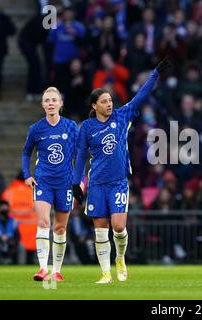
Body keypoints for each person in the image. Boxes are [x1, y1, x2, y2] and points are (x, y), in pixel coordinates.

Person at [72, 57, 172, 284]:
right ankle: (106, 273)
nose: (109, 104)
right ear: (94, 106)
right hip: (96, 182)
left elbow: (142, 95)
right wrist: (76, 182)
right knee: (100, 229)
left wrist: (156, 73)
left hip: (118, 182)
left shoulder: (122, 115)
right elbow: (80, 157)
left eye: (110, 100)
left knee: (118, 227)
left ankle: (120, 258)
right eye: (104, 101)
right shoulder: (87, 127)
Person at [22, 87, 79, 282]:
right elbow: (26, 153)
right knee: (43, 222)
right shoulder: (36, 129)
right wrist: (27, 175)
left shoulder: (71, 127)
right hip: (43, 181)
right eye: (47, 100)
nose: (51, 103)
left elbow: (81, 153)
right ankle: (42, 268)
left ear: (61, 104)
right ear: (43, 104)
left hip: (64, 183)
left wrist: (78, 179)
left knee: (60, 228)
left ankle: (56, 270)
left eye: (54, 100)